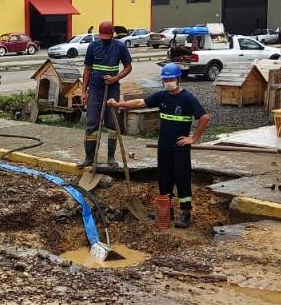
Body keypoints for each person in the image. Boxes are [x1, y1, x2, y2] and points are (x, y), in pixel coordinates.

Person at [108, 63, 210, 228]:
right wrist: (118, 104)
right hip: (164, 146)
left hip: (180, 148)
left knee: (182, 179)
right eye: (165, 79)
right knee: (164, 179)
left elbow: (204, 117)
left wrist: (193, 138)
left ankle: (185, 213)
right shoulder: (162, 96)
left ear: (178, 79)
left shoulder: (187, 98)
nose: (168, 81)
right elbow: (140, 103)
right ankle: (165, 210)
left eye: (170, 79)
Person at [78, 21, 133, 168]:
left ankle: (111, 157)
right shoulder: (93, 46)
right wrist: (84, 91)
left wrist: (115, 78)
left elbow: (128, 67)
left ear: (112, 34)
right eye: (103, 37)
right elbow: (87, 69)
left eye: (107, 37)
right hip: (95, 89)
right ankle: (89, 157)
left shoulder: (120, 46)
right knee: (91, 123)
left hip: (112, 88)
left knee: (112, 123)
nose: (105, 39)